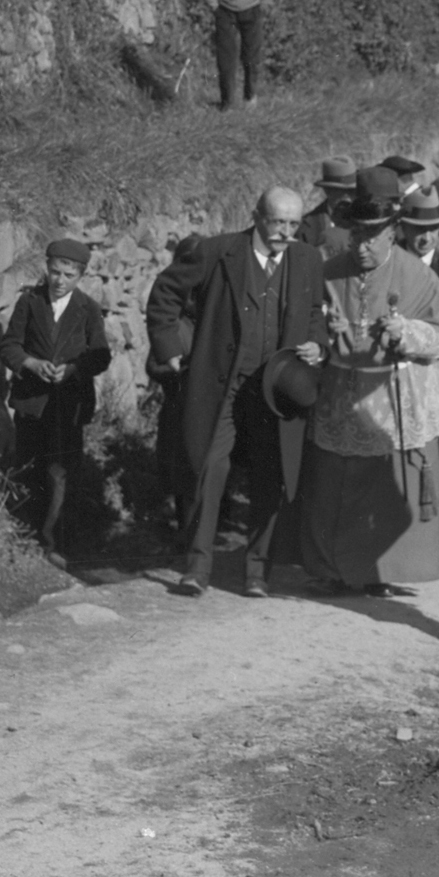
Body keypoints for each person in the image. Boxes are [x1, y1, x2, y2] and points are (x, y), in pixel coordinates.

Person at [271, 168, 439, 594]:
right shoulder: (329, 271)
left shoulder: (418, 276)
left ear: (393, 232)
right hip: (338, 397)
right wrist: (322, 340)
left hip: (394, 398)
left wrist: (406, 332)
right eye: (356, 235)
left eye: (371, 236)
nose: (361, 246)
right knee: (333, 486)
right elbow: (307, 326)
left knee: (383, 491)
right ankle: (333, 570)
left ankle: (380, 573)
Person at [144, 189, 326, 598]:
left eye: (293, 224)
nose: (286, 232)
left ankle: (258, 572)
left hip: (275, 389)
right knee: (209, 467)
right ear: (257, 216)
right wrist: (169, 349)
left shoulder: (307, 259)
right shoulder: (216, 252)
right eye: (278, 222)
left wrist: (318, 344)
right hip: (221, 383)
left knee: (269, 475)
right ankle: (197, 568)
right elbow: (165, 292)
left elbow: (315, 312)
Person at [0, 239, 113, 564]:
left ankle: (52, 542)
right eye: (54, 272)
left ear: (80, 276)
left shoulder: (88, 309)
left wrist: (74, 369)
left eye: (68, 275)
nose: (59, 280)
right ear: (46, 269)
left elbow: (101, 356)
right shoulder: (29, 302)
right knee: (29, 465)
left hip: (69, 405)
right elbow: (9, 345)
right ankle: (25, 534)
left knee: (60, 472)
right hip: (32, 402)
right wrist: (31, 364)